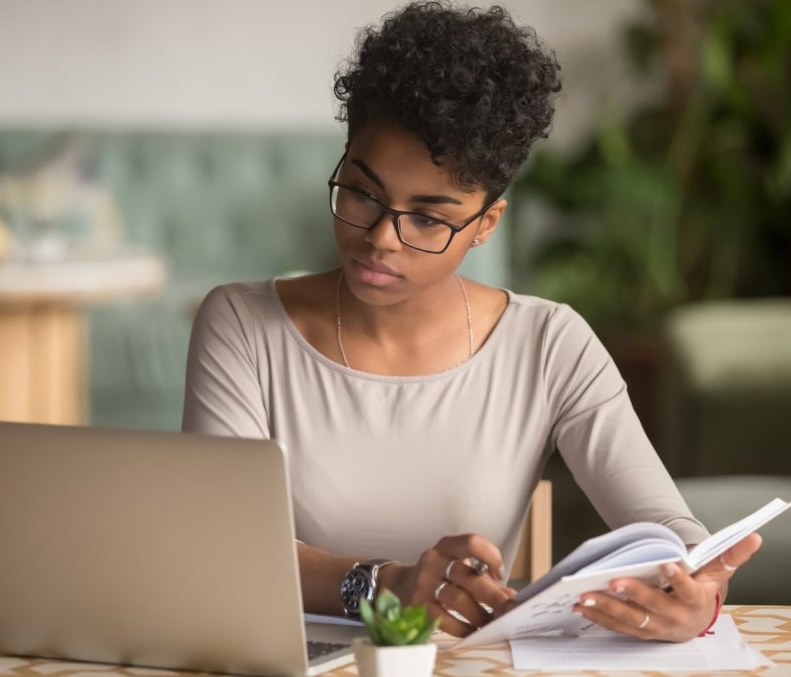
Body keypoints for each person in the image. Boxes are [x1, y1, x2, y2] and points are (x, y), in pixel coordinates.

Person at [182, 1, 761, 641]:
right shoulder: (240, 325)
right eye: (361, 192)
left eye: (428, 218)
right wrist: (382, 586)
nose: (381, 237)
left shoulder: (549, 344)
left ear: (486, 224)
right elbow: (217, 543)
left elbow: (664, 523)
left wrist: (697, 591)